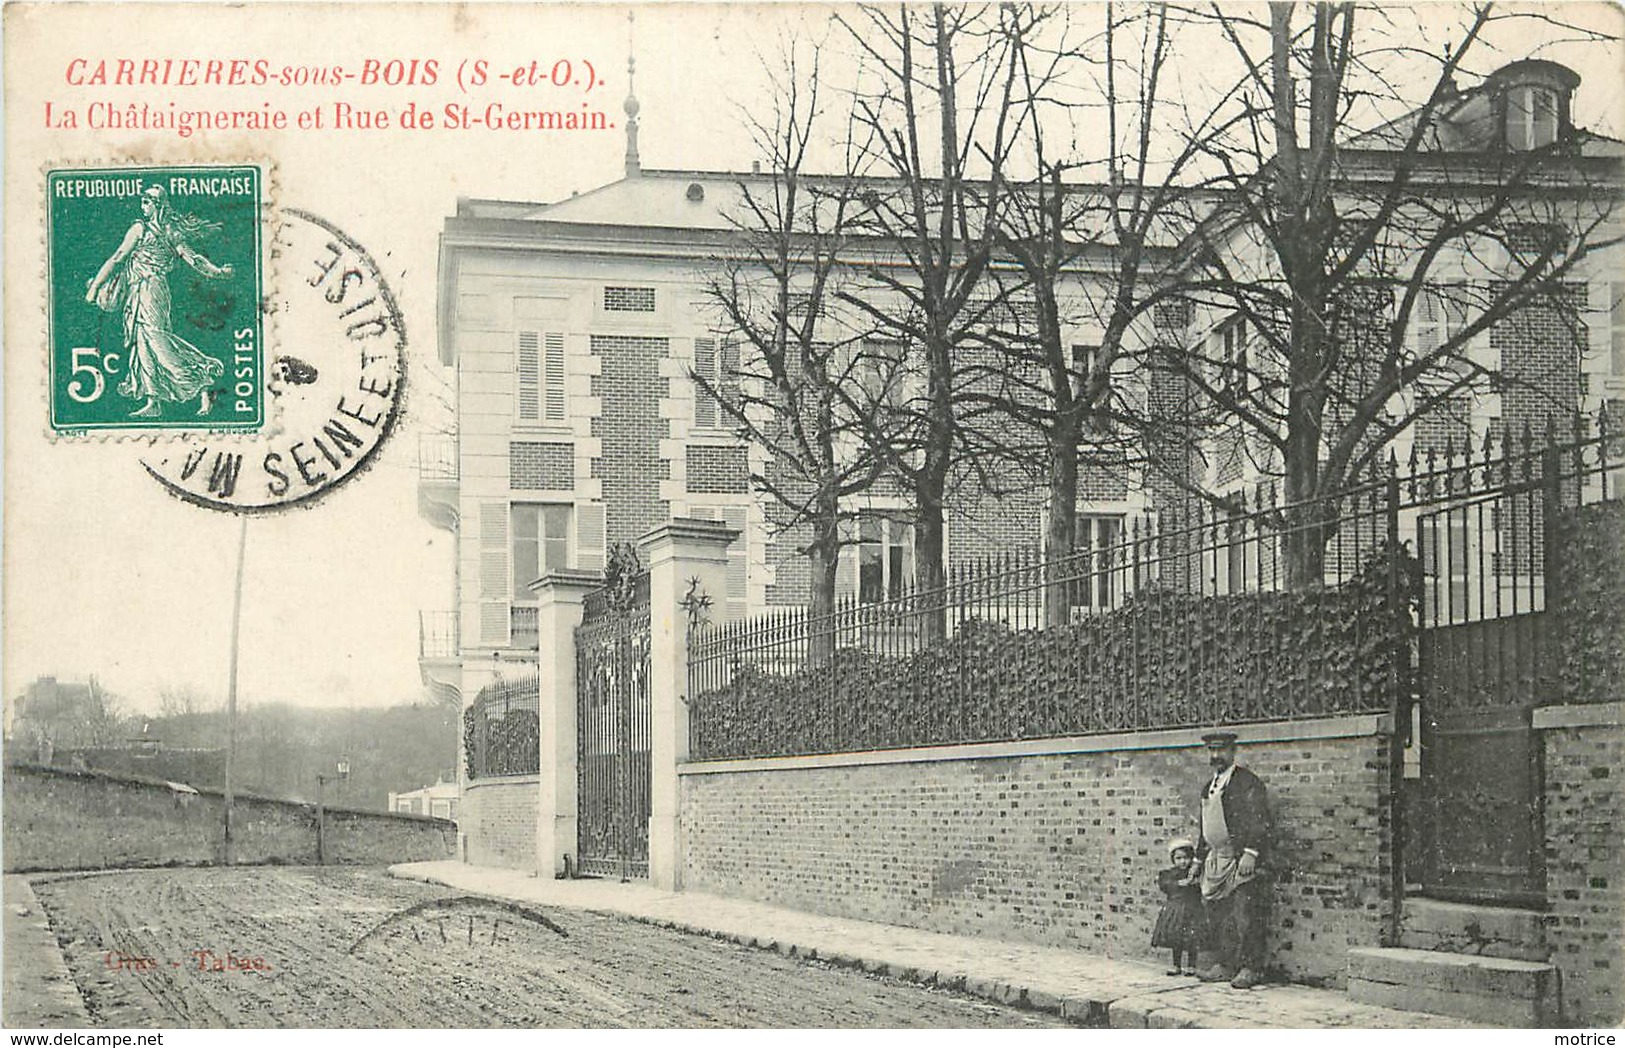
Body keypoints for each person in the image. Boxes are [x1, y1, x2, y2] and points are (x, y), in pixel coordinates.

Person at [84, 185, 232, 418]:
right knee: (143, 343)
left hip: (151, 291)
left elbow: (119, 257)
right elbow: (191, 259)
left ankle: (202, 378)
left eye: (147, 201)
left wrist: (94, 287)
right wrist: (218, 272)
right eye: (142, 201)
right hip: (139, 291)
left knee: (156, 340)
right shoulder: (159, 229)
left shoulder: (147, 230)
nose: (143, 205)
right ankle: (153, 401)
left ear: (158, 204)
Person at [1195, 729, 1272, 989]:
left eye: (1221, 750)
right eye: (1211, 751)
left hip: (1240, 859)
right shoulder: (1210, 787)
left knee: (1245, 914)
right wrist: (1198, 859)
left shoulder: (1247, 783)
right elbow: (1204, 827)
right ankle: (1225, 964)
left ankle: (1251, 968)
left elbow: (1260, 820)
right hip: (1216, 860)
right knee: (1218, 915)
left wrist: (1251, 852)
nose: (1216, 755)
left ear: (1232, 751)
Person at [1151, 836, 1205, 976]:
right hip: (1176, 909)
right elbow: (1165, 885)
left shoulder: (1194, 872)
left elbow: (1201, 885)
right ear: (1173, 860)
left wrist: (1194, 882)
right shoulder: (1170, 874)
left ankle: (1191, 966)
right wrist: (1177, 884)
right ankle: (1176, 965)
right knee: (1176, 938)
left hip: (1193, 908)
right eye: (1178, 858)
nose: (1182, 862)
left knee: (1192, 938)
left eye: (1186, 858)